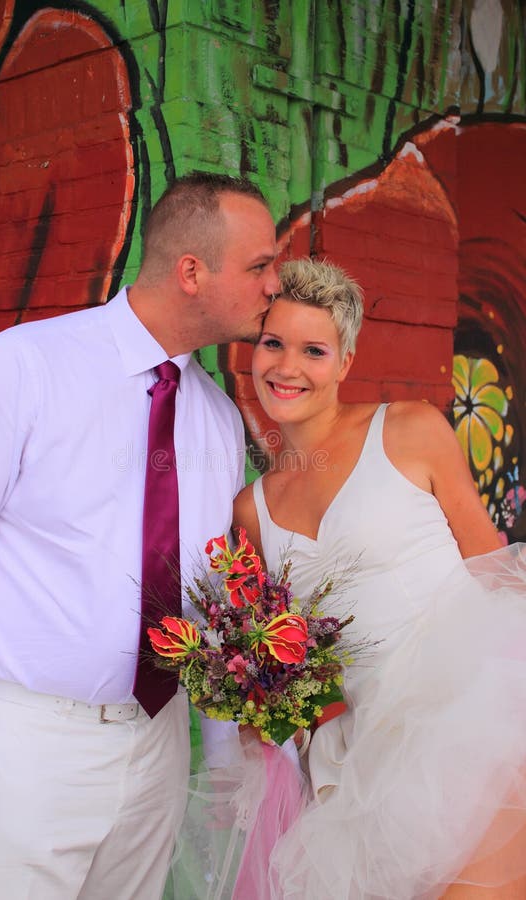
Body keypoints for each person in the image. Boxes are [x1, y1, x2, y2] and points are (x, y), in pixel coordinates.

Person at [0, 172, 280, 900]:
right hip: (22, 749)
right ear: (191, 272)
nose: (274, 284)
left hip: (156, 750)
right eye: (259, 266)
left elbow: (206, 595)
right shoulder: (23, 367)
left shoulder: (215, 417)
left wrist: (219, 766)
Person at [232, 257, 526, 898]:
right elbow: (289, 657)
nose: (287, 367)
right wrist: (270, 708)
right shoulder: (250, 510)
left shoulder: (410, 429)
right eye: (272, 343)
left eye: (313, 349)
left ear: (344, 361)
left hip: (471, 725)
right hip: (362, 763)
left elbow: (496, 571)